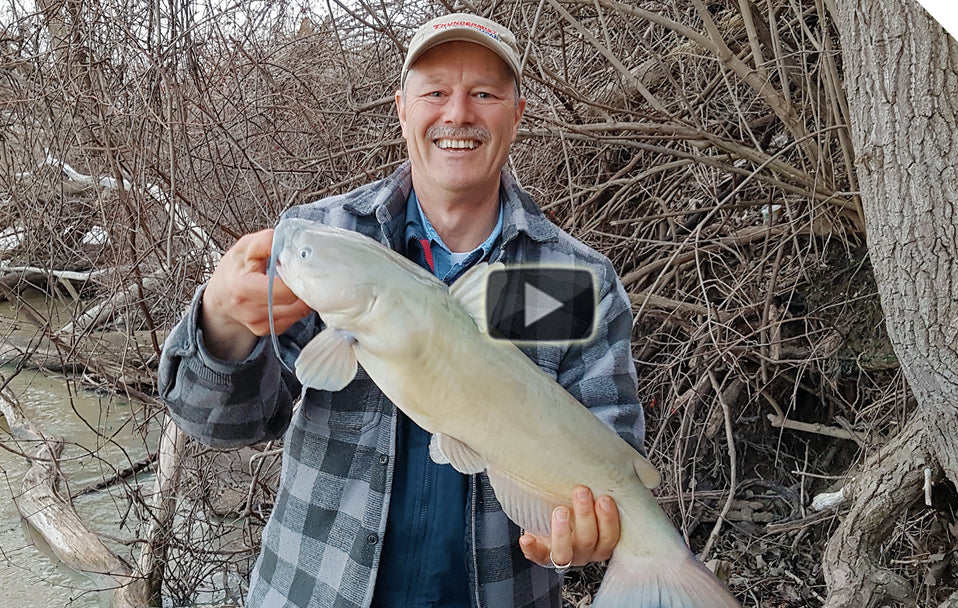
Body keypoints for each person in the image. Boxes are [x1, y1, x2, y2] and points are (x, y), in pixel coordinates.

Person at [158, 12, 644, 608]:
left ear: (516, 115)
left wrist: (594, 529)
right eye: (435, 92)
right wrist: (222, 321)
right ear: (402, 109)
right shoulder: (323, 241)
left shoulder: (573, 282)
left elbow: (610, 438)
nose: (458, 113)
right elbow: (218, 426)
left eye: (483, 94)